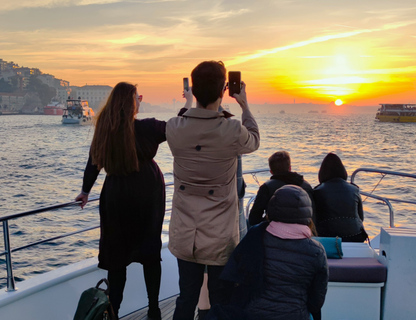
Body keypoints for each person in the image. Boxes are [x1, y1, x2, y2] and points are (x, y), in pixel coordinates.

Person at [75, 82, 189, 319]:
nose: (141, 99)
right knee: (150, 254)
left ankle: (114, 311)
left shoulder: (105, 131)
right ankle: (154, 310)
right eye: (138, 96)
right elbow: (178, 127)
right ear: (131, 102)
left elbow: (93, 162)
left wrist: (85, 190)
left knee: (117, 257)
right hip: (147, 196)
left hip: (116, 197)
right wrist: (188, 102)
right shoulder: (147, 128)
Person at [166, 61, 260, 320]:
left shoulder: (173, 128)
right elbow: (254, 139)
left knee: (186, 298)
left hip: (186, 233)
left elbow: (184, 120)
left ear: (194, 90)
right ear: (223, 91)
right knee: (220, 301)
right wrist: (244, 104)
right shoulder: (231, 130)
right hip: (220, 236)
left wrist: (187, 103)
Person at [217, 185, 329, 320]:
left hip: (252, 314)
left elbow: (232, 277)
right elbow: (316, 302)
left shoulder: (255, 237)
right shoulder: (316, 251)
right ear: (307, 215)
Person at [248, 150, 314, 226]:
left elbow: (254, 219)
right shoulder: (306, 186)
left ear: (271, 171)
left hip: (276, 232)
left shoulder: (266, 188)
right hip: (305, 230)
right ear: (290, 168)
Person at [313, 152, 368, 242]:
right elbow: (361, 218)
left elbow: (314, 219)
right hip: (355, 235)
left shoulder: (317, 191)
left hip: (327, 236)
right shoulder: (354, 189)